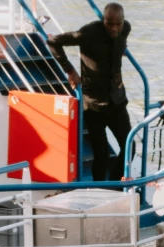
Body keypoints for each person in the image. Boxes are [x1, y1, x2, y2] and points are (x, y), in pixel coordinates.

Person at [47, 3, 132, 182]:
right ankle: (98, 190)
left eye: (119, 23)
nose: (115, 28)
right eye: (110, 24)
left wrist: (120, 50)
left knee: (129, 147)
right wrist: (70, 71)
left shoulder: (126, 29)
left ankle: (116, 184)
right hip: (93, 103)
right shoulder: (88, 33)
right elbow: (54, 42)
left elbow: (120, 42)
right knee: (100, 154)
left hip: (117, 101)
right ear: (103, 21)